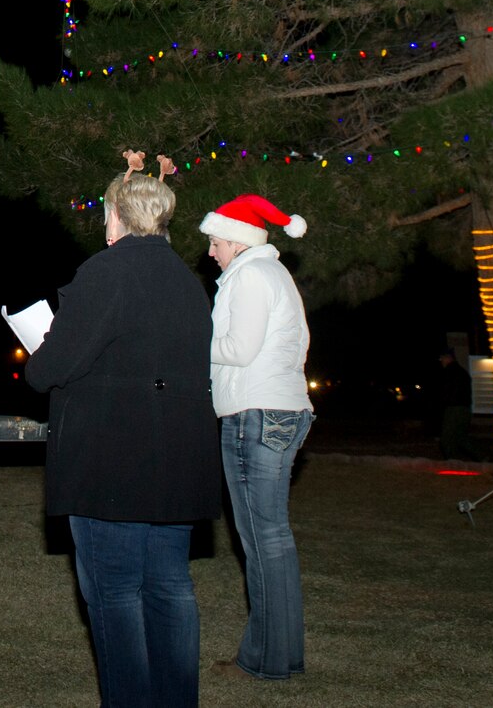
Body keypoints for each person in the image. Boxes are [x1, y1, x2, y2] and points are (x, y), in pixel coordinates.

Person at [25, 169, 220, 708]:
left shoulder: (105, 272)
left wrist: (39, 351)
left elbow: (52, 368)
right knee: (170, 589)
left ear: (116, 215)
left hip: (112, 459)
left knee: (114, 593)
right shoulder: (187, 281)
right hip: (177, 456)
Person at [203, 193, 314, 682]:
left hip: (256, 415)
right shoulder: (274, 274)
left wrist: (191, 343)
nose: (210, 251)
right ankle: (280, 657)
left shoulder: (248, 276)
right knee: (273, 541)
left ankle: (264, 662)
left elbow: (239, 349)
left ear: (236, 238)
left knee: (262, 542)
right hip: (282, 409)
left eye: (214, 241)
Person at [437, 348, 475, 461]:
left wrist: (444, 403)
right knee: (461, 437)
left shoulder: (450, 371)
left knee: (446, 438)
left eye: (442, 358)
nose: (441, 361)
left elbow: (447, 390)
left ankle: (452, 460)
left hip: (455, 408)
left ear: (448, 358)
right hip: (465, 408)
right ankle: (484, 457)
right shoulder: (461, 371)